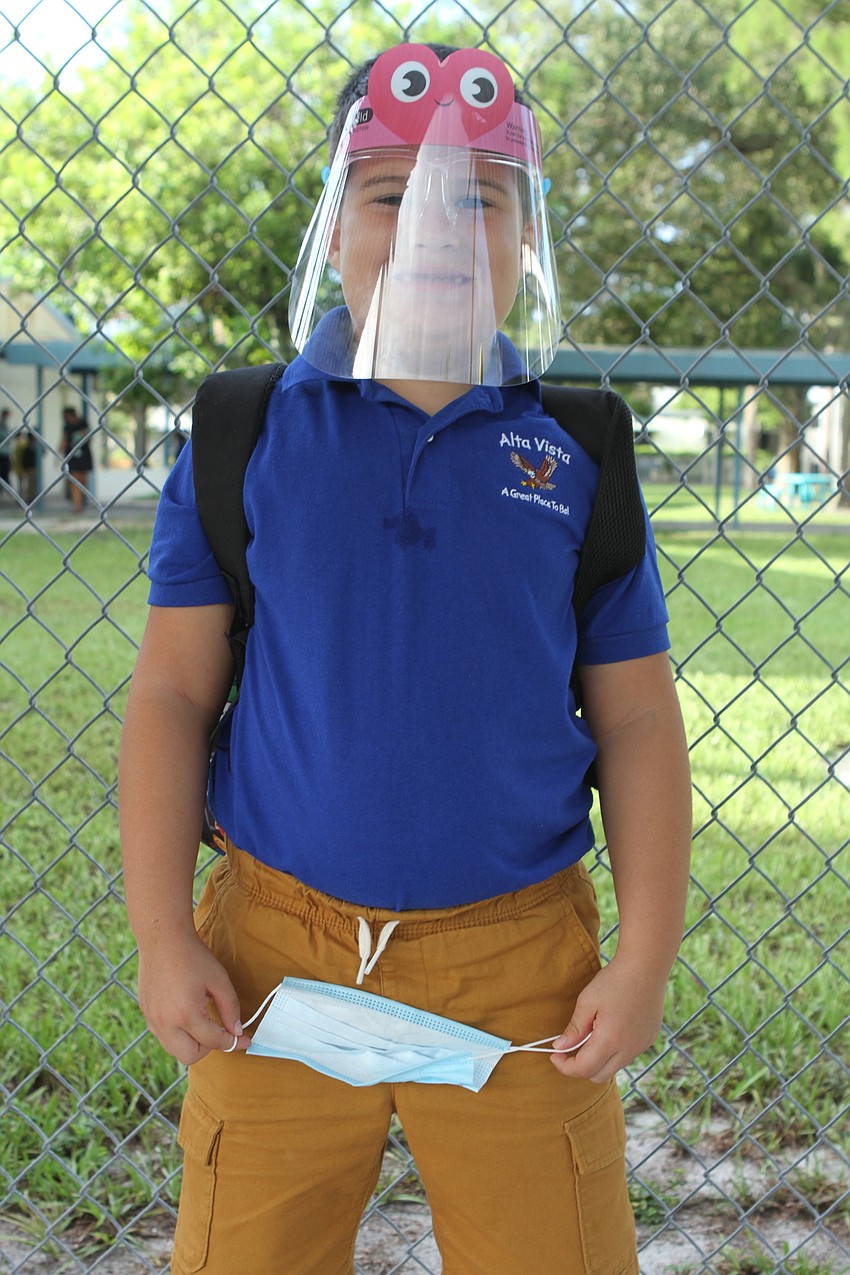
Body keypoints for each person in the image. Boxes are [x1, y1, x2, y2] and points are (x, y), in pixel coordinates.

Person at [119, 42, 691, 1275]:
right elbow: (170, 695)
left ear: (526, 239)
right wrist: (165, 936)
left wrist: (643, 958)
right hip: (272, 965)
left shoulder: (574, 450)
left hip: (520, 970)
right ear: (334, 225)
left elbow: (639, 721)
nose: (435, 223)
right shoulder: (245, 433)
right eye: (390, 194)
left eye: (480, 198)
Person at [60, 405, 93, 511]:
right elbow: (64, 441)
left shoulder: (83, 423)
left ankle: (79, 503)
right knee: (74, 480)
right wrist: (58, 455)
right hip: (72, 456)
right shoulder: (67, 426)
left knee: (83, 480)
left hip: (84, 455)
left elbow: (89, 439)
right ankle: (76, 505)